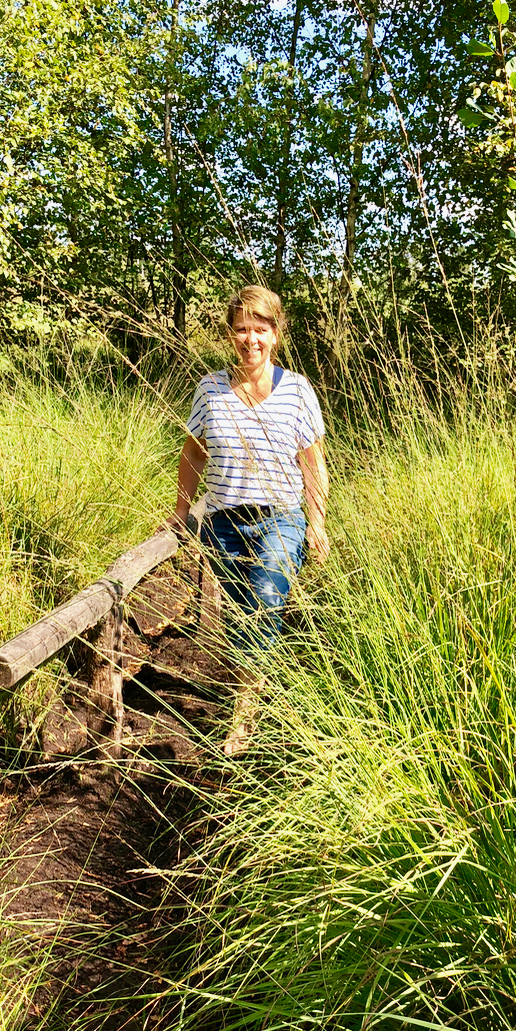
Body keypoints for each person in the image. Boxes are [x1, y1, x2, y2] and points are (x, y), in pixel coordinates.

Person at [160, 285, 330, 754]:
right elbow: (193, 452)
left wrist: (316, 523)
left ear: (276, 335)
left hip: (280, 517)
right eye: (241, 330)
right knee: (240, 621)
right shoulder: (210, 389)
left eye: (260, 329)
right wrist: (180, 513)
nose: (250, 340)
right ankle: (255, 688)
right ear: (230, 336)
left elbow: (313, 463)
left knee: (267, 600)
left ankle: (244, 716)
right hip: (223, 522)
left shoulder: (297, 390)